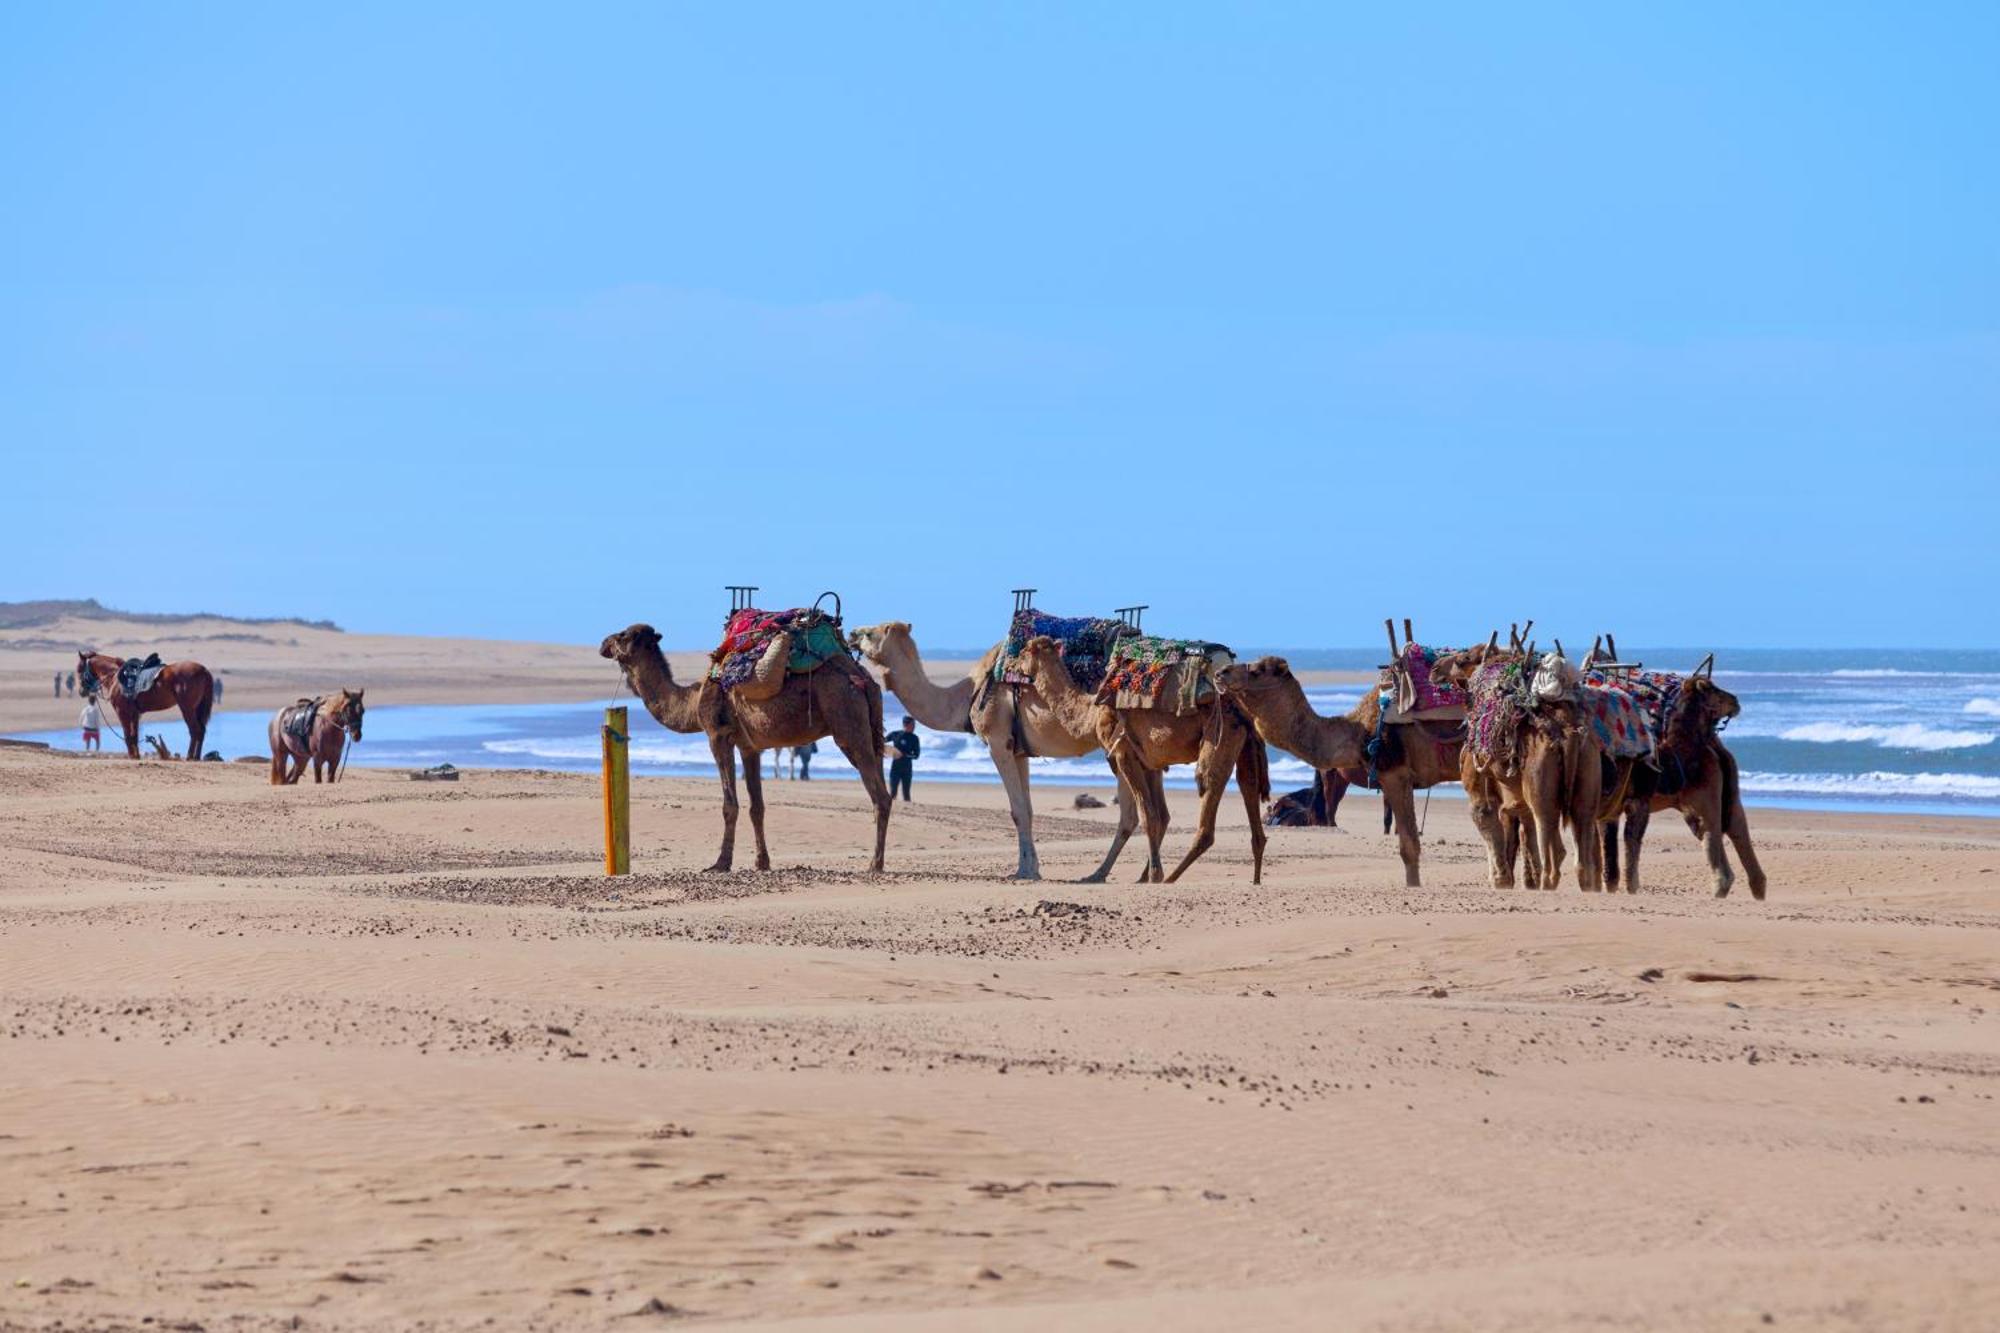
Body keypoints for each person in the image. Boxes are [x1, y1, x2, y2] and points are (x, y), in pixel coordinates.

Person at [885, 717, 920, 802]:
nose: (914, 727)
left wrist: (903, 755)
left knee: (906, 794)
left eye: (914, 725)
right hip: (895, 769)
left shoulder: (914, 738)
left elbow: (916, 755)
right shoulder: (895, 734)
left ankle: (908, 812)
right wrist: (883, 751)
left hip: (907, 770)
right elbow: (881, 741)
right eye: (912, 725)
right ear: (905, 724)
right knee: (893, 793)